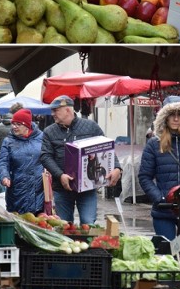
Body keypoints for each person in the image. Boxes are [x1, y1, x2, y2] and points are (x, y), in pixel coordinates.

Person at [40, 95, 122, 224]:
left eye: (56, 110)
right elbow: (45, 156)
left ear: (67, 110)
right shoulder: (49, 132)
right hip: (62, 188)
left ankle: (87, 244)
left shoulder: (91, 127)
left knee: (88, 222)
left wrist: (117, 167)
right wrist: (60, 175)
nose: (52, 114)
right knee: (64, 225)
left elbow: (106, 148)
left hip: (87, 188)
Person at [138, 96, 180, 240]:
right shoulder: (154, 144)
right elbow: (145, 176)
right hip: (164, 209)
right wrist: (159, 198)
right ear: (165, 117)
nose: (176, 119)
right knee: (167, 253)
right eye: (172, 114)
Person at [0, 109, 45, 215]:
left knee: (39, 224)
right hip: (17, 190)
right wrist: (4, 176)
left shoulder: (42, 138)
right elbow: (3, 162)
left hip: (39, 191)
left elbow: (49, 158)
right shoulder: (8, 141)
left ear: (27, 125)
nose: (14, 127)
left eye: (18, 124)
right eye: (13, 124)